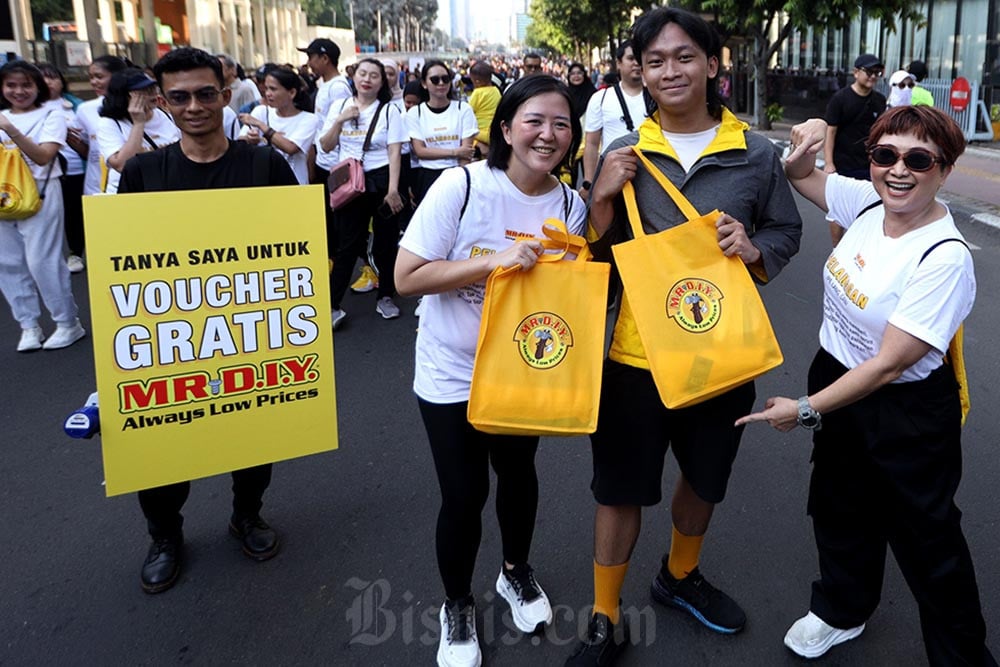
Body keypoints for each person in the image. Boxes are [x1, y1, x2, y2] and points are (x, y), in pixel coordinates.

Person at [566, 8, 802, 665]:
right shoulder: (625, 153)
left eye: (684, 56)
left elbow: (786, 231)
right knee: (618, 489)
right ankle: (604, 615)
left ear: (712, 63)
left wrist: (753, 247)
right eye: (656, 61)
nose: (671, 70)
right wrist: (602, 199)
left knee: (704, 478)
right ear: (638, 72)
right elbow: (590, 253)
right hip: (631, 359)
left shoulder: (755, 153)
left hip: (719, 355)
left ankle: (678, 574)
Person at [737, 105, 997, 667]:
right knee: (838, 502)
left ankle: (962, 658)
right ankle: (842, 607)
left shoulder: (945, 257)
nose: (898, 170)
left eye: (919, 159)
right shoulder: (867, 201)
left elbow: (887, 367)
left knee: (928, 542)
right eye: (886, 155)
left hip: (904, 411)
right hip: (835, 373)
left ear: (944, 169)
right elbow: (801, 176)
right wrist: (802, 147)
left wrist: (804, 410)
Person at [395, 74, 585, 667]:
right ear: (505, 128)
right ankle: (457, 605)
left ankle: (514, 573)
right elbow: (407, 277)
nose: (548, 134)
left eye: (561, 123)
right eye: (534, 120)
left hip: (521, 370)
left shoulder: (570, 205)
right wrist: (495, 264)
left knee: (519, 473)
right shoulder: (463, 185)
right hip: (451, 369)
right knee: (464, 492)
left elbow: (559, 298)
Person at [116, 47, 298, 594]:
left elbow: (297, 254)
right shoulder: (144, 174)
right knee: (163, 447)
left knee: (251, 433)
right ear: (163, 103)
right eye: (179, 97)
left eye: (204, 93)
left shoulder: (264, 165)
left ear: (225, 95)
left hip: (249, 334)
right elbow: (119, 269)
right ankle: (165, 535)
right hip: (169, 339)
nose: (194, 106)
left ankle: (247, 514)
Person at [0, 61, 85, 353]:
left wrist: (10, 130)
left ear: (38, 86)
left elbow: (43, 156)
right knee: (7, 263)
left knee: (42, 261)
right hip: (3, 197)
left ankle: (67, 323)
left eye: (26, 84)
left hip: (41, 193)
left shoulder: (52, 114)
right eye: (11, 85)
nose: (19, 91)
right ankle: (28, 325)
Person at [318, 58, 406, 327]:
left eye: (374, 75)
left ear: (383, 82)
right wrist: (341, 121)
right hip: (348, 180)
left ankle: (385, 296)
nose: (367, 79)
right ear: (353, 77)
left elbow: (394, 152)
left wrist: (393, 190)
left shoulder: (390, 111)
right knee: (346, 244)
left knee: (385, 242)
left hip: (380, 180)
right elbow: (325, 144)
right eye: (362, 74)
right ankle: (332, 305)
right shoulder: (339, 106)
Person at [823, 54, 886, 245]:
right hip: (843, 162)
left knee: (870, 206)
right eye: (869, 72)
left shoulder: (879, 100)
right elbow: (830, 131)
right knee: (838, 207)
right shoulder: (840, 99)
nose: (873, 76)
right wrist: (829, 162)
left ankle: (860, 246)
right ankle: (836, 247)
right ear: (856, 72)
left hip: (869, 164)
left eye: (877, 72)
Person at [581, 41, 648, 201]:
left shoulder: (658, 97)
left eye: (640, 58)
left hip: (651, 178)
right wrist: (589, 183)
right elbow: (591, 144)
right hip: (611, 180)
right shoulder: (601, 98)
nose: (636, 64)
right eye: (631, 58)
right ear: (618, 63)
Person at [406, 60, 478, 205]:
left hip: (457, 174)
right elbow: (420, 151)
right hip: (427, 176)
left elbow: (467, 153)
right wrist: (455, 152)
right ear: (424, 84)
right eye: (435, 79)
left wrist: (463, 181)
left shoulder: (463, 109)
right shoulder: (415, 113)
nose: (441, 83)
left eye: (445, 79)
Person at [97, 68, 181, 194]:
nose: (153, 94)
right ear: (126, 96)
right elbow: (122, 165)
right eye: (144, 91)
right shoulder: (110, 124)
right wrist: (138, 123)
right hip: (129, 193)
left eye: (153, 88)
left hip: (165, 189)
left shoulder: (166, 115)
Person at [38, 63, 87, 274]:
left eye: (53, 77)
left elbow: (89, 143)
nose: (48, 82)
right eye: (42, 78)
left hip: (75, 169)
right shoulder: (25, 109)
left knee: (73, 214)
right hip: (40, 173)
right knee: (44, 216)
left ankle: (75, 252)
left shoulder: (77, 106)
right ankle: (46, 258)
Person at [238, 66, 319, 185]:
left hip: (295, 184)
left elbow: (290, 148)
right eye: (266, 89)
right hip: (264, 183)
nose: (267, 94)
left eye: (273, 89)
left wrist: (261, 126)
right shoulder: (261, 111)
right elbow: (240, 141)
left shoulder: (309, 119)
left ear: (291, 93)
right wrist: (251, 139)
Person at [76, 55, 127, 198]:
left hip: (127, 183)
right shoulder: (85, 109)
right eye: (91, 77)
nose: (94, 82)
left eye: (99, 77)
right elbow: (87, 148)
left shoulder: (135, 107)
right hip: (96, 185)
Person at [467, 61, 500, 154]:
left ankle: (478, 145)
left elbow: (469, 111)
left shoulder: (478, 93)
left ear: (477, 81)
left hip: (481, 133)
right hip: (494, 132)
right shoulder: (496, 90)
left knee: (465, 132)